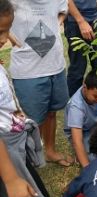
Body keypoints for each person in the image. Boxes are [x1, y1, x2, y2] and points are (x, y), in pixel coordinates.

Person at [0, 1, 54, 197]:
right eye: (0, 32)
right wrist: (10, 178)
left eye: (6, 31)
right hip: (4, 151)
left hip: (11, 141)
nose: (5, 39)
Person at [9, 0, 73, 167]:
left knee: (51, 112)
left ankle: (50, 151)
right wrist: (11, 37)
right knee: (31, 121)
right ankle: (28, 160)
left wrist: (54, 28)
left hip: (56, 65)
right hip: (27, 71)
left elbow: (63, 10)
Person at [64, 0, 97, 97]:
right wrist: (81, 22)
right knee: (78, 68)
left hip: (94, 17)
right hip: (75, 22)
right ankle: (75, 105)